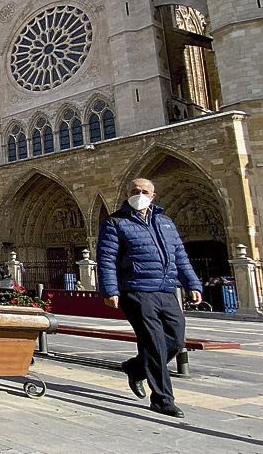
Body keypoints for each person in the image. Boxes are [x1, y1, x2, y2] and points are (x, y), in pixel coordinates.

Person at [97, 178, 203, 418]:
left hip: (166, 291)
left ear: (153, 196)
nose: (139, 194)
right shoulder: (116, 222)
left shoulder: (165, 223)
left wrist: (192, 283)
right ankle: (163, 399)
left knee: (175, 340)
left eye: (144, 191)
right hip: (136, 290)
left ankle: (135, 368)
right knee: (154, 343)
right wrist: (110, 290)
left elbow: (180, 256)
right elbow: (106, 259)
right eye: (135, 191)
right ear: (127, 194)